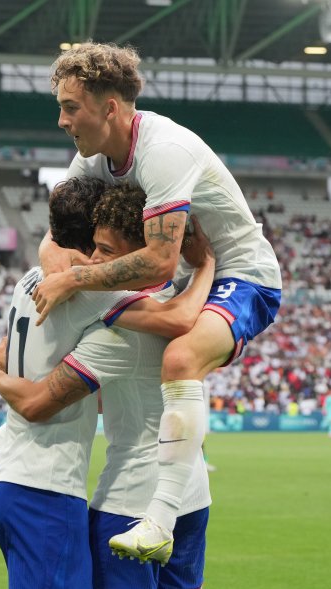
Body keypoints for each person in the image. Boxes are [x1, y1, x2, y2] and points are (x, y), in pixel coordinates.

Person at [32, 41, 282, 558]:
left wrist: (74, 279)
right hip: (187, 274)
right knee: (79, 312)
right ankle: (10, 441)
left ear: (110, 109)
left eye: (70, 107)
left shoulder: (163, 151)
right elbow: (56, 233)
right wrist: (60, 271)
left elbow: (161, 263)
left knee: (180, 356)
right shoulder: (96, 155)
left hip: (240, 274)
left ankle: (161, 520)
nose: (61, 120)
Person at [0, 179, 214, 589]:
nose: (95, 261)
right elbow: (170, 326)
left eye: (107, 252)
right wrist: (206, 265)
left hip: (90, 496)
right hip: (175, 494)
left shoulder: (56, 292)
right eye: (94, 246)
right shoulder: (184, 303)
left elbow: (43, 400)